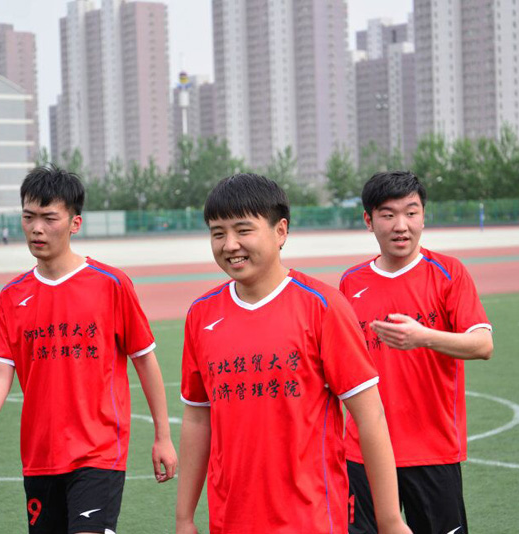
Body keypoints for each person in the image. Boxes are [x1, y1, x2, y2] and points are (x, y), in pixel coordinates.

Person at [175, 173, 411, 534]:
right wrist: (184, 518)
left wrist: (391, 520)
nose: (230, 244)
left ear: (281, 231)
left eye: (243, 230)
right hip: (230, 519)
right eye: (218, 233)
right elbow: (197, 419)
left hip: (310, 519)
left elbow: (370, 417)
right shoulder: (201, 314)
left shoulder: (323, 306)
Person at [0, 165, 177, 534]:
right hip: (40, 456)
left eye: (49, 218)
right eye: (29, 217)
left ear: (75, 224)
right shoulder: (12, 296)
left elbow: (145, 360)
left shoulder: (111, 284)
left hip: (98, 453)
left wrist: (163, 437)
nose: (36, 228)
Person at [340, 171, 493, 534]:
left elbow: (482, 344)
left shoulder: (448, 273)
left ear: (424, 216)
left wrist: (423, 337)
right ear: (368, 220)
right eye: (388, 214)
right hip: (363, 450)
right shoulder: (351, 282)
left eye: (411, 212)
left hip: (431, 448)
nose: (401, 225)